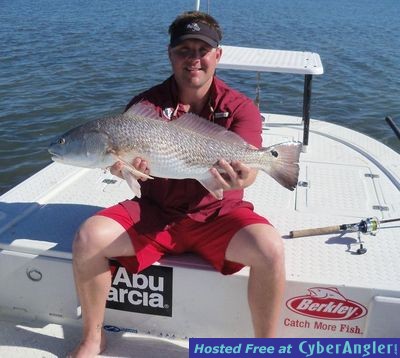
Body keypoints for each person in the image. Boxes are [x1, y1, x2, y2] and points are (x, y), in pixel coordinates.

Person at [69, 11, 285, 357]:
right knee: (87, 238)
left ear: (218, 55)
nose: (193, 59)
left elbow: (250, 167)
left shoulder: (241, 107)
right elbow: (122, 166)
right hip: (154, 213)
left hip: (217, 214)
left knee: (270, 249)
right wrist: (122, 169)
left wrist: (245, 175)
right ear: (170, 54)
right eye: (184, 50)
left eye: (203, 49)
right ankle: (93, 337)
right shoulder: (145, 106)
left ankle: (267, 348)